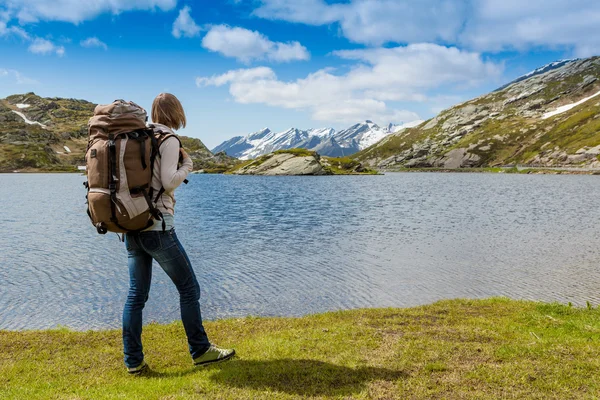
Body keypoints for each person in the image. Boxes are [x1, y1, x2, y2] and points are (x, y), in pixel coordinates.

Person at [122, 93, 235, 374]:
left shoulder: (140, 137)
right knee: (189, 289)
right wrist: (189, 165)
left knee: (136, 296)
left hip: (132, 226)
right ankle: (200, 351)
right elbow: (170, 183)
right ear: (177, 113)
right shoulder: (168, 139)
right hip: (158, 227)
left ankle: (133, 362)